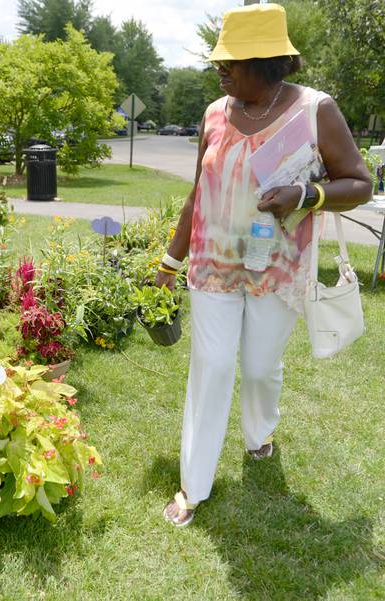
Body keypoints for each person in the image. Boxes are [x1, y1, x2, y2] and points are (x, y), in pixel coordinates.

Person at [158, 3, 372, 527]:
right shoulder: (213, 113)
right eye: (220, 61)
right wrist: (171, 257)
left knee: (258, 368)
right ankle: (194, 484)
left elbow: (359, 183)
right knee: (210, 368)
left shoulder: (315, 109)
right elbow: (198, 192)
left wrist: (306, 192)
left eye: (231, 62)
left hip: (277, 267)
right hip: (213, 266)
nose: (220, 70)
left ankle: (260, 435)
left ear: (267, 61)